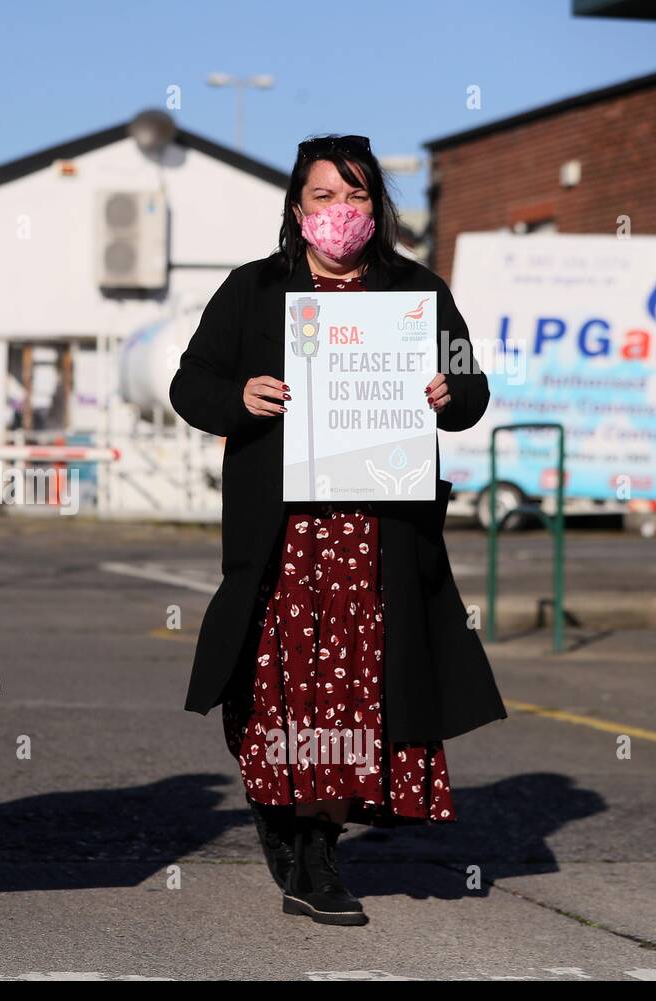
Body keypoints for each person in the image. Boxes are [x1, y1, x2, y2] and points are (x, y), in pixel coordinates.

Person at [169, 134, 505, 927]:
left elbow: (474, 386)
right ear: (296, 208)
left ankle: (318, 850)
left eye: (356, 198)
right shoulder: (254, 290)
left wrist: (446, 391)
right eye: (325, 197)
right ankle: (285, 813)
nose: (341, 213)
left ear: (378, 210)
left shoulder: (418, 291)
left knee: (353, 693)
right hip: (280, 535)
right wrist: (238, 397)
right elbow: (191, 381)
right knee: (276, 692)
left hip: (377, 533)